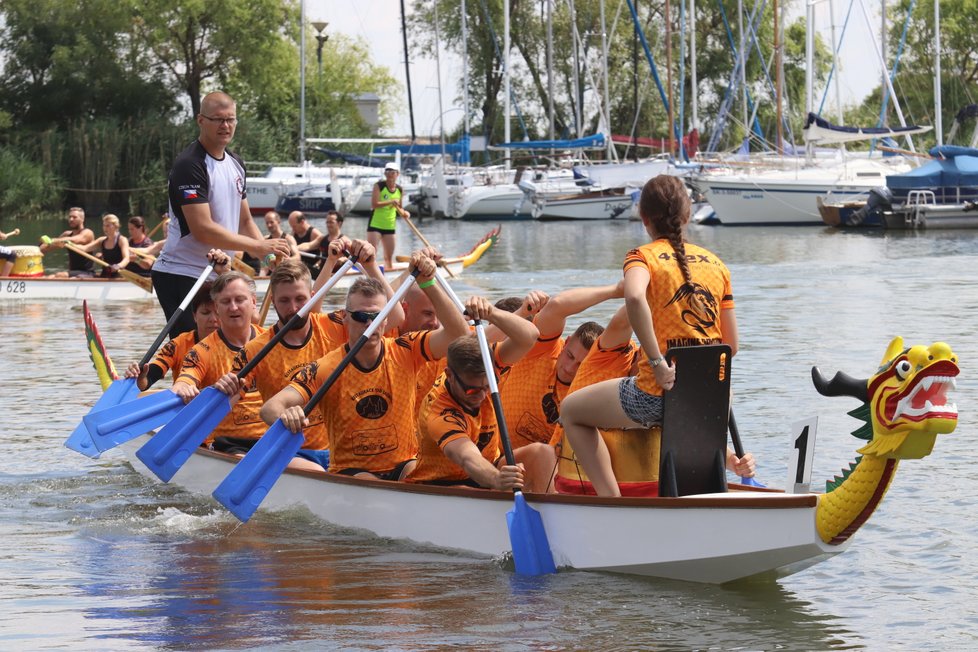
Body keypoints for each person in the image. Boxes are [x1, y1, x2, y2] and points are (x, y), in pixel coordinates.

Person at [559, 174, 750, 497]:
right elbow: (731, 346)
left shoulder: (641, 256)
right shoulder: (717, 265)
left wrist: (658, 362)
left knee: (571, 412)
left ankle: (612, 502)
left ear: (645, 219)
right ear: (687, 215)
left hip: (655, 395)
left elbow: (633, 297)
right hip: (709, 399)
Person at [259, 252, 469, 481]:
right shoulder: (327, 367)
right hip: (352, 472)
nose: (369, 324)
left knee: (430, 475)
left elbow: (459, 334)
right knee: (370, 482)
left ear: (386, 320)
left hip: (404, 464)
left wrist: (428, 283)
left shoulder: (406, 351)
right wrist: (287, 415)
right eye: (360, 317)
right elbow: (270, 408)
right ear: (345, 319)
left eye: (376, 317)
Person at [214, 242, 396, 472]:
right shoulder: (254, 350)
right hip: (291, 452)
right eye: (284, 301)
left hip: (339, 450)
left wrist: (369, 266)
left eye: (300, 299)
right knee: (319, 473)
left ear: (312, 296)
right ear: (272, 301)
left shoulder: (335, 325)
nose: (293, 308)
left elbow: (395, 316)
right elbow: (226, 405)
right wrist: (223, 389)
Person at [153, 91, 291, 336]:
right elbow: (202, 228)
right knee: (195, 354)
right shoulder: (190, 165)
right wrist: (258, 247)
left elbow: (244, 220)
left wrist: (267, 256)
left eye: (231, 119)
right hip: (181, 272)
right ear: (201, 121)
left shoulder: (236, 163)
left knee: (233, 344)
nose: (225, 126)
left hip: (215, 271)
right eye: (218, 119)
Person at [406, 296, 556, 492]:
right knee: (466, 490)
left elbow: (530, 335)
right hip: (442, 483)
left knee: (543, 452)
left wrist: (491, 313)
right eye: (472, 390)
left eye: (487, 387)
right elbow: (467, 457)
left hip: (489, 466)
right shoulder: (439, 413)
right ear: (449, 375)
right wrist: (497, 479)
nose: (482, 396)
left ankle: (549, 508)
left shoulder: (489, 365)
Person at [496, 283, 622, 449]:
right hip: (502, 458)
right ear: (567, 342)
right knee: (541, 452)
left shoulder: (598, 377)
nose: (569, 368)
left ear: (592, 364)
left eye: (580, 365)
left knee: (543, 453)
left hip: (552, 466)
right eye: (570, 356)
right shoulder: (543, 351)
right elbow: (556, 307)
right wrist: (617, 290)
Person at [171, 269, 268, 452]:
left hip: (274, 440)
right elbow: (185, 379)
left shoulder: (274, 342)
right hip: (229, 444)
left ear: (254, 302)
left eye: (239, 300)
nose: (233, 307)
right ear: (217, 307)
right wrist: (183, 388)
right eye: (225, 302)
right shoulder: (201, 351)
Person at [123, 251, 228, 391]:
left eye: (218, 313)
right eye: (205, 313)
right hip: (187, 402)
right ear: (194, 316)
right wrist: (140, 377)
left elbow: (251, 314)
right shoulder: (178, 344)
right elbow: (149, 378)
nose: (213, 319)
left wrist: (225, 272)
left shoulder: (235, 340)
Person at [39, 207, 95, 278]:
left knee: (60, 275)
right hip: (72, 272)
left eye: (74, 217)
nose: (71, 219)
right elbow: (44, 248)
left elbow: (75, 239)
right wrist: (37, 250)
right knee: (48, 277)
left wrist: (54, 240)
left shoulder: (88, 233)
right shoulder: (66, 234)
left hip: (87, 273)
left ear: (82, 219)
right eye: (70, 217)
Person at [368, 162, 403, 269]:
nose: (390, 174)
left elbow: (400, 208)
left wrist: (405, 213)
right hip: (375, 224)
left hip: (389, 225)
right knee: (371, 254)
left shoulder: (400, 189)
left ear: (397, 174)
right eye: (387, 172)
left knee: (389, 256)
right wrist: (390, 202)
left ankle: (389, 274)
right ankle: (369, 273)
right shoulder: (379, 186)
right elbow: (374, 204)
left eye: (392, 172)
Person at [80, 214, 130, 278]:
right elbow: (85, 248)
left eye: (108, 226)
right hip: (105, 275)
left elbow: (126, 259)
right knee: (79, 277)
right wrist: (70, 244)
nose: (105, 228)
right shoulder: (102, 240)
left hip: (118, 276)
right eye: (104, 225)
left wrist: (118, 266)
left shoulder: (122, 240)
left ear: (115, 226)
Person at [302, 209, 345, 276]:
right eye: (327, 222)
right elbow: (309, 246)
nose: (328, 225)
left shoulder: (344, 240)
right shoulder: (322, 238)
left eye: (331, 222)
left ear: (339, 223)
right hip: (322, 273)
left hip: (335, 275)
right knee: (302, 266)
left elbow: (351, 256)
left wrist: (344, 259)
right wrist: (294, 248)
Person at [259, 210, 299, 276]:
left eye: (271, 222)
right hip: (270, 274)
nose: (269, 225)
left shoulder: (288, 239)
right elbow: (263, 264)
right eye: (267, 223)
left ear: (278, 221)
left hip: (286, 273)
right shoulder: (265, 240)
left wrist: (285, 260)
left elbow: (297, 257)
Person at [287, 210, 322, 277]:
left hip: (312, 269)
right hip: (299, 267)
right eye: (291, 227)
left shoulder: (314, 233)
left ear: (302, 222)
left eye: (294, 226)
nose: (293, 229)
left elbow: (325, 253)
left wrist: (317, 265)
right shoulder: (294, 232)